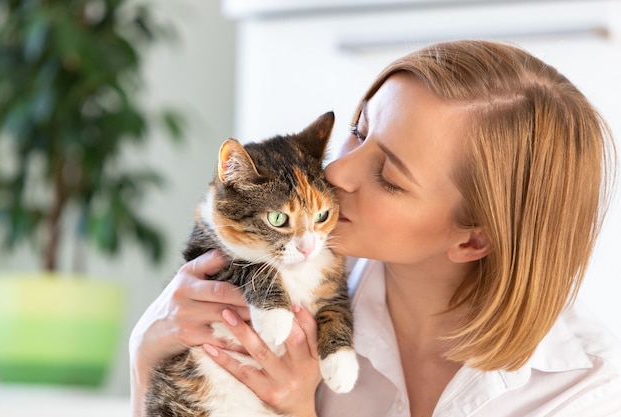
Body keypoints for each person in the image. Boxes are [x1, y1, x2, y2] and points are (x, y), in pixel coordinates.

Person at [129, 40, 621, 416]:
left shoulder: (584, 391)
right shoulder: (281, 285)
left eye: (388, 177)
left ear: (473, 238)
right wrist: (145, 357)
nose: (339, 173)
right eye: (358, 131)